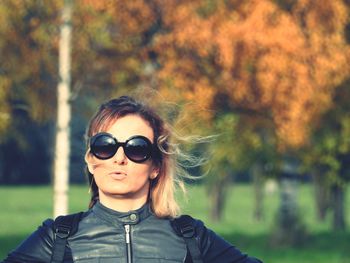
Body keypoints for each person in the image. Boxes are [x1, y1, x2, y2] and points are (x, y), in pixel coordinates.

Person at [2, 96, 262, 263]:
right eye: (105, 146)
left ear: (156, 167)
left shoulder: (191, 238)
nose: (119, 158)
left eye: (136, 148)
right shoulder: (57, 237)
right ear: (91, 160)